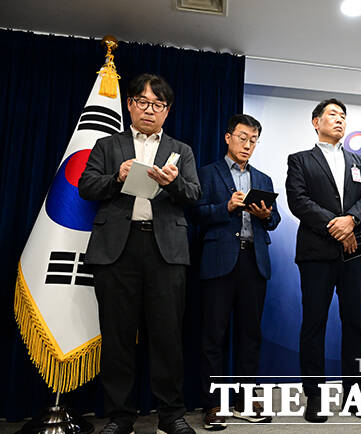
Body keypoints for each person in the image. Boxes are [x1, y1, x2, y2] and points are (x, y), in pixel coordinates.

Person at [78, 74, 200, 434]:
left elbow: (194, 194)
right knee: (117, 336)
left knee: (167, 335)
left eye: (158, 104)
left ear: (167, 110)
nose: (150, 110)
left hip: (165, 251)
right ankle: (120, 416)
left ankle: (170, 414)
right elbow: (86, 186)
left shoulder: (182, 150)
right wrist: (116, 177)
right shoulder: (107, 145)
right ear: (130, 104)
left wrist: (172, 183)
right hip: (117, 249)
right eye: (143, 102)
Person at [285, 98, 361, 423]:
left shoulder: (359, 161)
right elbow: (299, 201)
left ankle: (355, 396)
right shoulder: (300, 160)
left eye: (343, 116)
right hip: (316, 254)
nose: (339, 120)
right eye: (333, 114)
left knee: (356, 325)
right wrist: (336, 226)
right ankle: (315, 396)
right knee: (314, 324)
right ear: (316, 122)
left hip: (357, 252)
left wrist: (351, 221)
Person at [193, 114, 280, 431]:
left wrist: (265, 215)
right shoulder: (207, 173)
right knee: (213, 337)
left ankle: (245, 401)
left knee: (250, 336)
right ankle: (213, 404)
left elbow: (275, 221)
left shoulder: (263, 179)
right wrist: (226, 208)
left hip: (253, 261)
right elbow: (195, 214)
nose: (247, 145)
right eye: (243, 138)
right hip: (219, 261)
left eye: (253, 140)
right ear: (228, 137)